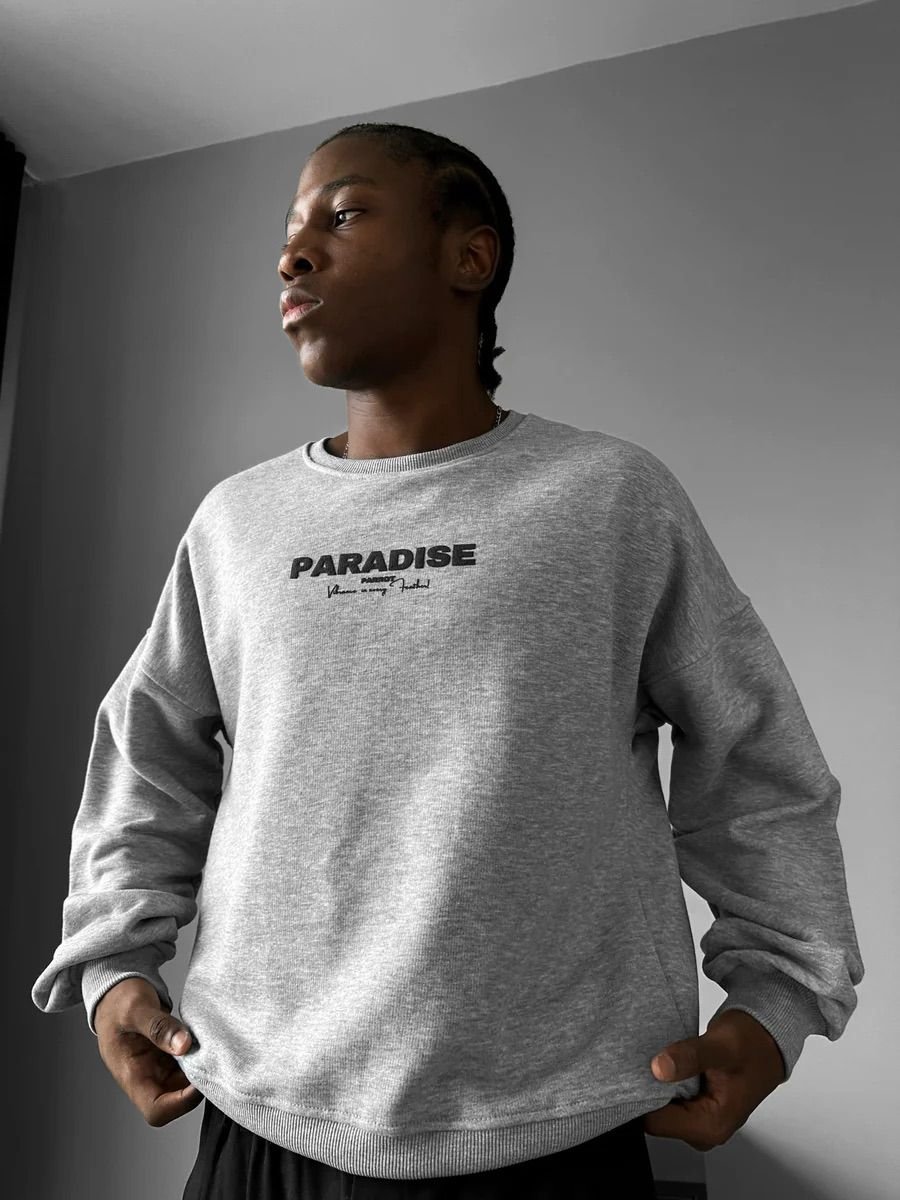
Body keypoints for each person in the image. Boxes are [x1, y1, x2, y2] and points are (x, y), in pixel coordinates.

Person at [31, 122, 864, 1199]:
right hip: (259, 1119)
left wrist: (778, 1002)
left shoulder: (608, 499)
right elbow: (147, 753)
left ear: (470, 257)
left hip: (553, 1134)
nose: (293, 255)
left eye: (342, 215)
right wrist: (111, 967)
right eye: (289, 231)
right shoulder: (235, 524)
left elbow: (757, 761)